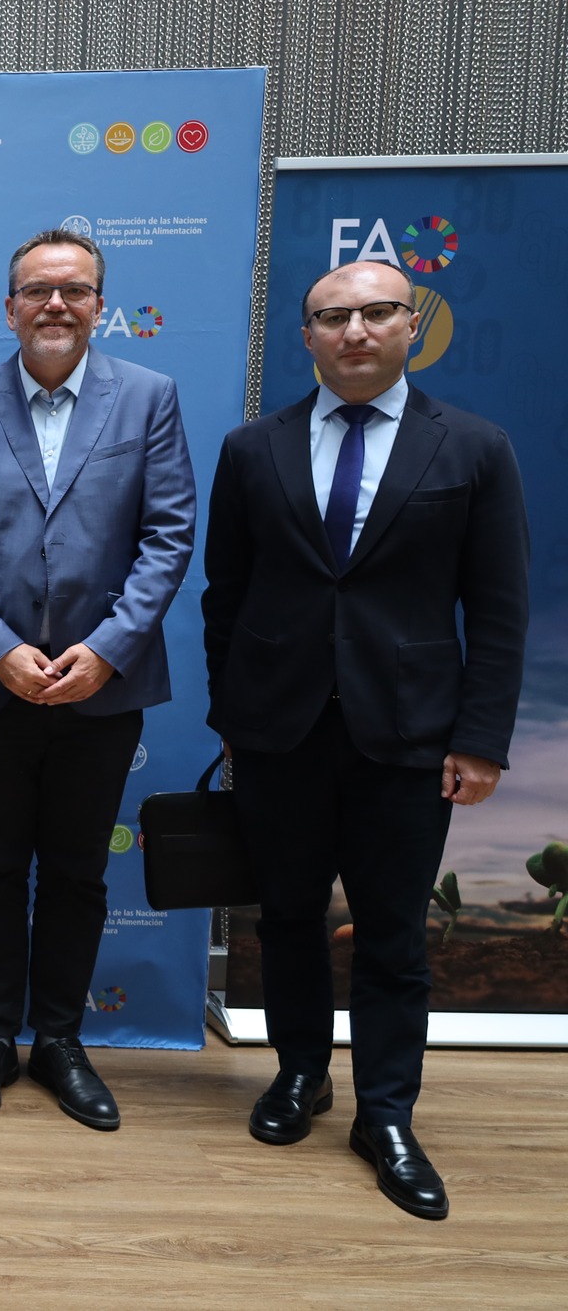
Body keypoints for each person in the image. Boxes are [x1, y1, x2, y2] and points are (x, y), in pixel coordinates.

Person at [201, 260, 528, 1220]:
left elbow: (499, 608)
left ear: (411, 325)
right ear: (306, 335)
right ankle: (301, 1073)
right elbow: (226, 595)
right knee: (288, 917)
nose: (355, 331)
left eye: (377, 312)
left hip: (412, 735)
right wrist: (235, 715)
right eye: (332, 316)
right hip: (280, 731)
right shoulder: (251, 448)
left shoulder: (474, 447)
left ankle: (386, 1114)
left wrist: (481, 738)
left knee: (391, 933)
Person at [0, 227, 195, 1131]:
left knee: (79, 872)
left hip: (102, 686)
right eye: (38, 290)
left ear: (99, 307)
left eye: (74, 290)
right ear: (9, 308)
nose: (55, 304)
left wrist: (108, 648)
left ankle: (60, 1039)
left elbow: (168, 535)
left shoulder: (148, 397)